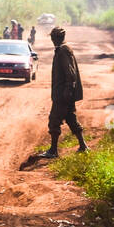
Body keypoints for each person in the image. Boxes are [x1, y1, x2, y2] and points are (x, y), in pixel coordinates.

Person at [43, 26, 87, 159]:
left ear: (55, 38)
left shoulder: (63, 50)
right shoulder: (63, 49)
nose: (51, 40)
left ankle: (53, 151)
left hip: (63, 94)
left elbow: (70, 73)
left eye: (52, 37)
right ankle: (83, 146)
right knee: (71, 118)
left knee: (54, 120)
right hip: (65, 93)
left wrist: (67, 90)